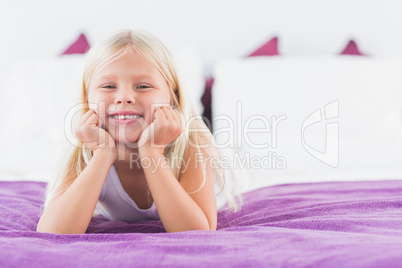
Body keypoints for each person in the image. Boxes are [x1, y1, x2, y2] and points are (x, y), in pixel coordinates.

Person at [36, 29, 243, 234]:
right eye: (108, 86)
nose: (124, 97)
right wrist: (103, 154)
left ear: (173, 97)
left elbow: (197, 231)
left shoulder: (192, 144)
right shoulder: (84, 149)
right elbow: (53, 230)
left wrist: (151, 152)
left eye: (143, 86)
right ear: (87, 96)